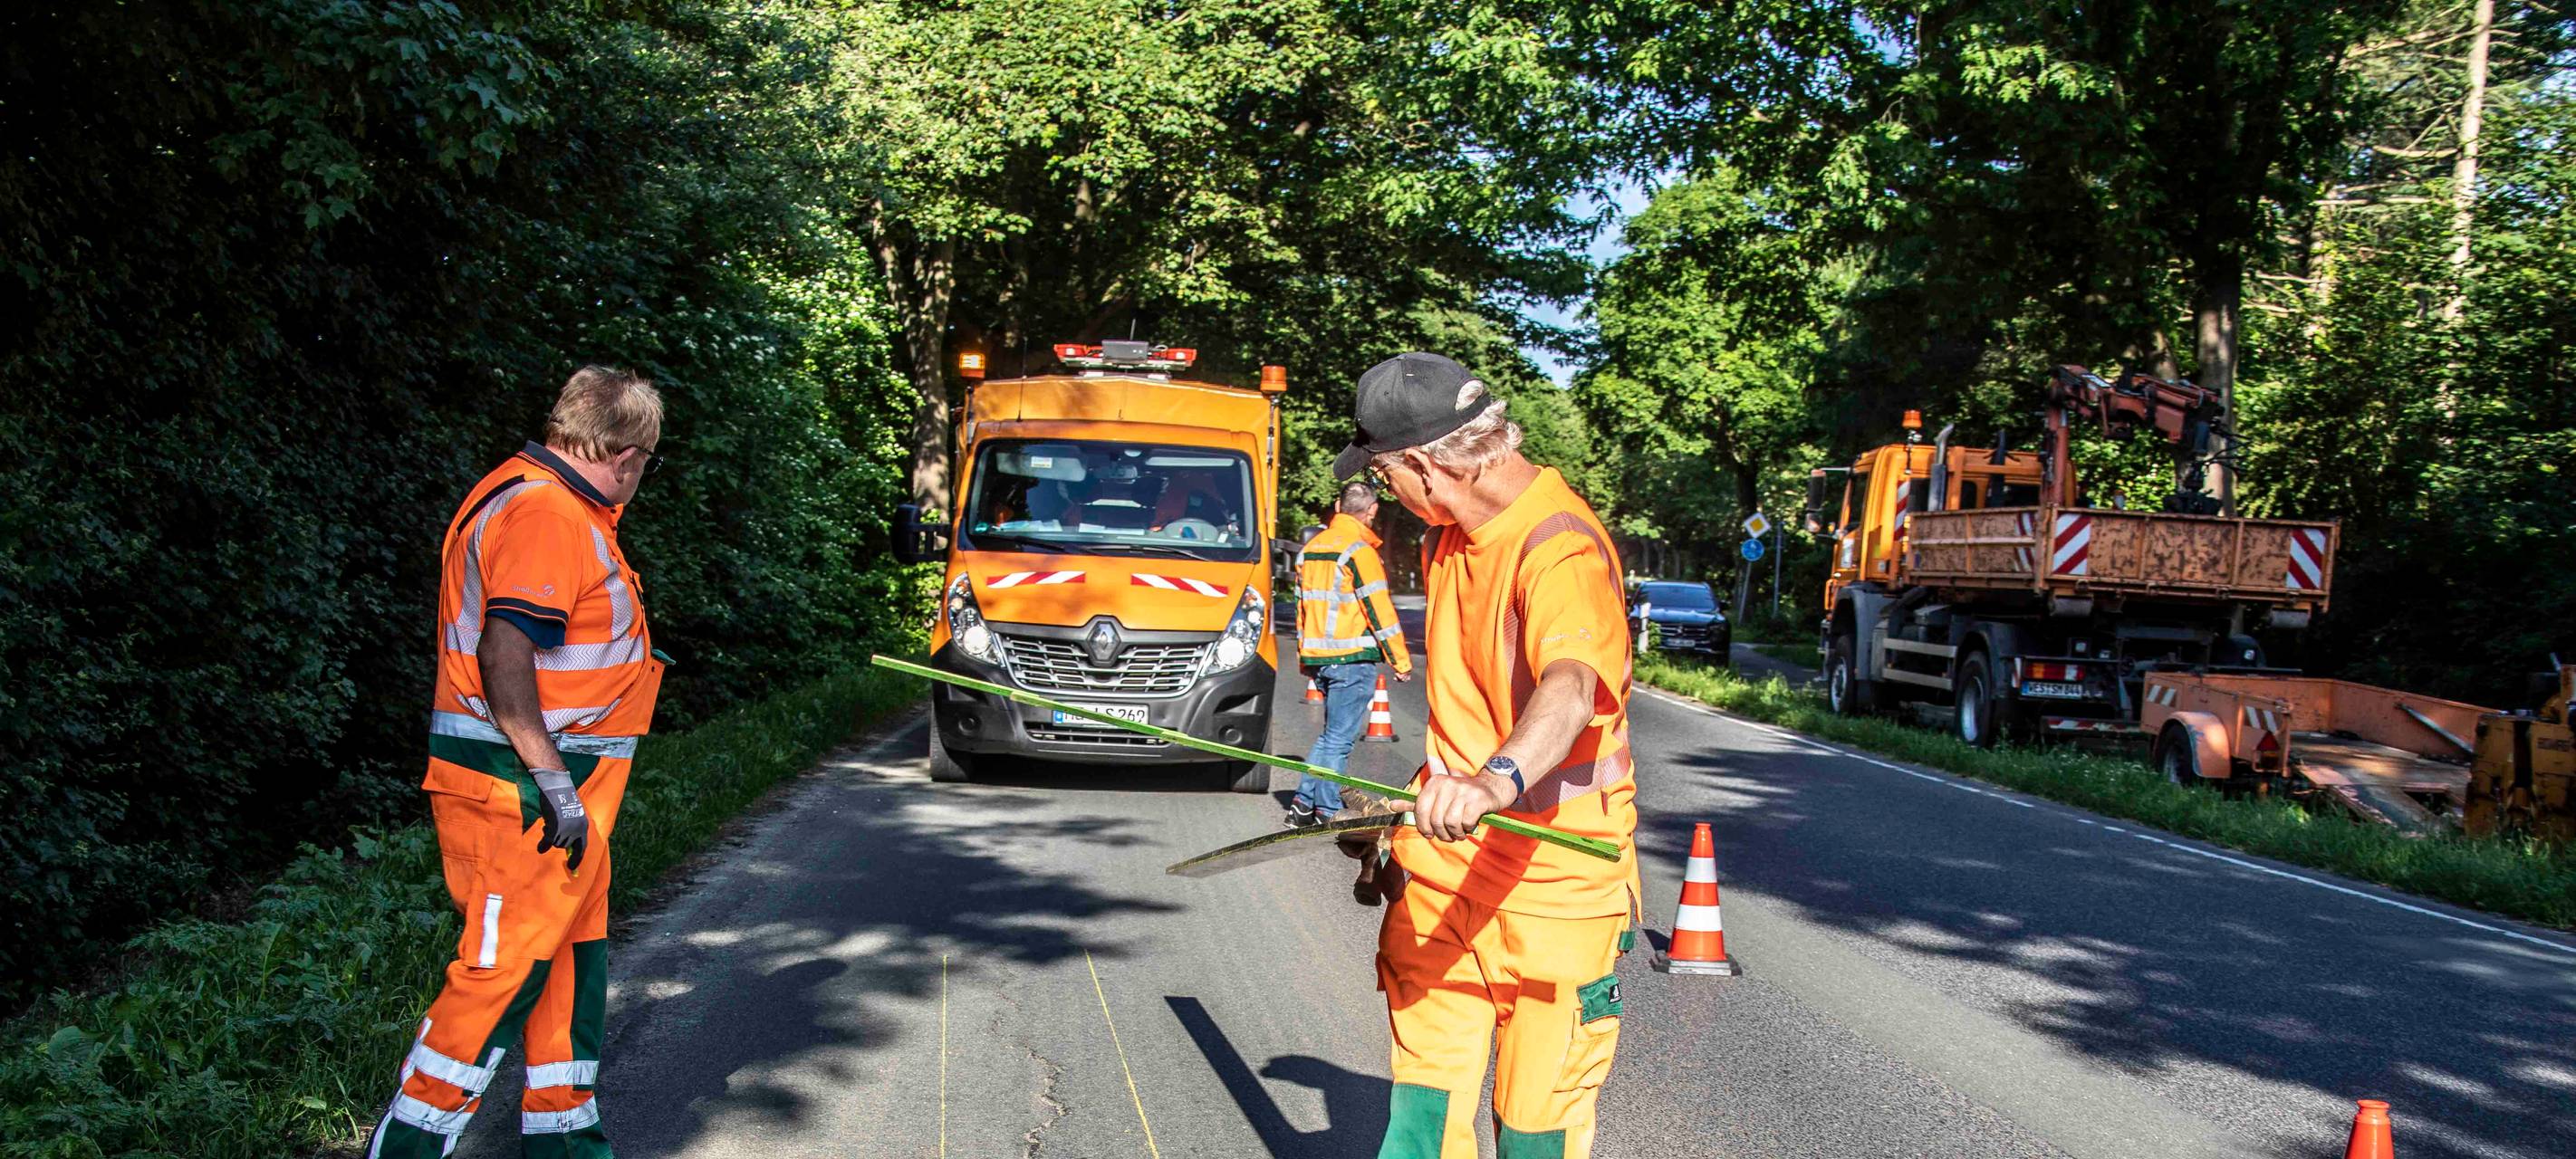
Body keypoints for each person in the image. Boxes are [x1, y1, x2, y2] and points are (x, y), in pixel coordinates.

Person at [1334, 352, 1639, 1159]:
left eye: (1384, 476)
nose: (1387, 497)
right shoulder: (1453, 536)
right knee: (1424, 1119)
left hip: (1555, 892)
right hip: (1445, 874)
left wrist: (1494, 780)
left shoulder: (1559, 547)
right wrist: (1415, 796)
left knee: (1538, 1129)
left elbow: (1572, 687)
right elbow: (1473, 705)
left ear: (1427, 468)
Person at [369, 367, 668, 1159]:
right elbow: (507, 655)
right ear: (629, 453)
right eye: (648, 463)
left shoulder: (521, 490)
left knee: (570, 964)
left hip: (556, 787)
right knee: (500, 977)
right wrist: (555, 785)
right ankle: (404, 1147)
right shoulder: (547, 513)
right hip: (530, 788)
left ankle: (566, 1146)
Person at [1291, 479, 1414, 827]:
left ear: (1337, 505)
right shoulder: (1359, 551)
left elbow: (1303, 611)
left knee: (1330, 737)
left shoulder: (1311, 549)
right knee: (1339, 742)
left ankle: (1302, 802)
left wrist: (1305, 657)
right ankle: (1327, 810)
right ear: (1372, 511)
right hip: (1352, 658)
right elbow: (1380, 612)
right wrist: (1399, 661)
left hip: (1320, 658)